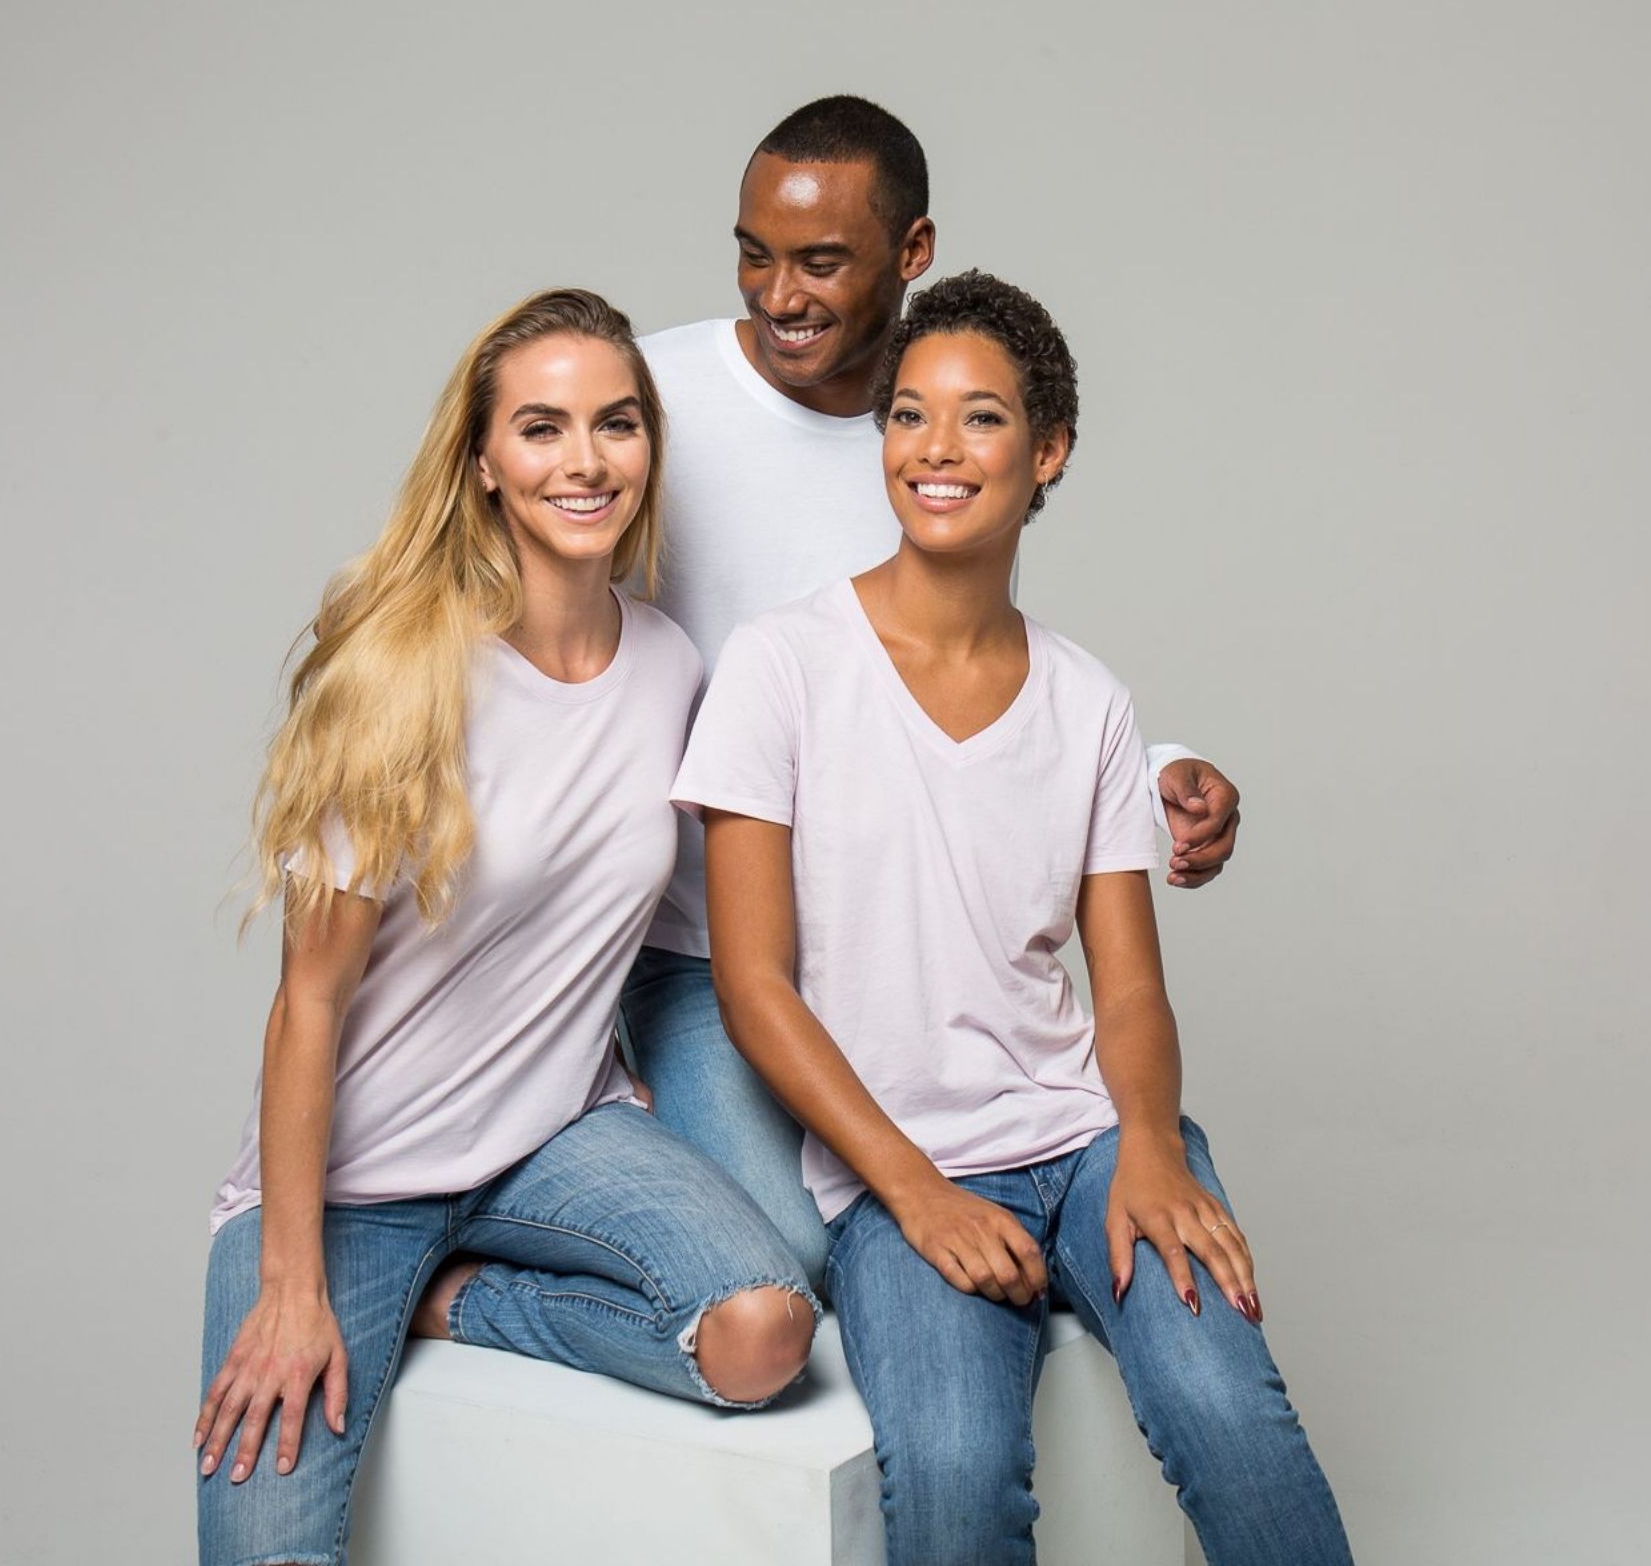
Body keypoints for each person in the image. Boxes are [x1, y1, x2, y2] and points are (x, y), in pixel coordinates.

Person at [674, 271, 1354, 1564]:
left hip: (1086, 1135)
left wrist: (1150, 1142)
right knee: (951, 1476)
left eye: (979, 419)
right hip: (896, 1170)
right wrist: (917, 1195)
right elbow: (754, 985)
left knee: (1226, 1408)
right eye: (908, 415)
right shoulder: (781, 667)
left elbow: (1130, 988)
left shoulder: (1090, 702)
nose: (935, 449)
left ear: (1046, 452)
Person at [195, 289, 817, 1566]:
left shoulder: (669, 668)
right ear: (482, 462)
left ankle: (463, 1302)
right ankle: (378, 1279)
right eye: (541, 428)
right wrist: (290, 1281)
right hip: (357, 1180)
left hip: (554, 1139)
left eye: (616, 425)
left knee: (763, 1330)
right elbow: (306, 1002)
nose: (584, 462)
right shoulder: (401, 676)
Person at [625, 95, 1245, 1287]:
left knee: (931, 1248)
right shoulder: (655, 401)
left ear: (912, 255)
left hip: (879, 962)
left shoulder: (938, 441)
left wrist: (1149, 768)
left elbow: (958, 667)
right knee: (796, 1254)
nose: (779, 295)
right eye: (754, 255)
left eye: (821, 262)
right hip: (699, 952)